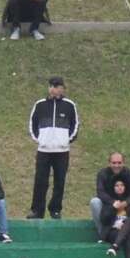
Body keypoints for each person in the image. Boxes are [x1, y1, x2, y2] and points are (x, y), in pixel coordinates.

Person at [27, 75, 79, 219]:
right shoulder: (40, 105)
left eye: (57, 86)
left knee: (60, 181)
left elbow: (75, 125)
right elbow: (32, 124)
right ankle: (37, 210)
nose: (54, 89)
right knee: (40, 181)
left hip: (62, 151)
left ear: (62, 88)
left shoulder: (69, 105)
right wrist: (41, 140)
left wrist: (65, 141)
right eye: (51, 86)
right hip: (44, 150)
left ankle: (55, 209)